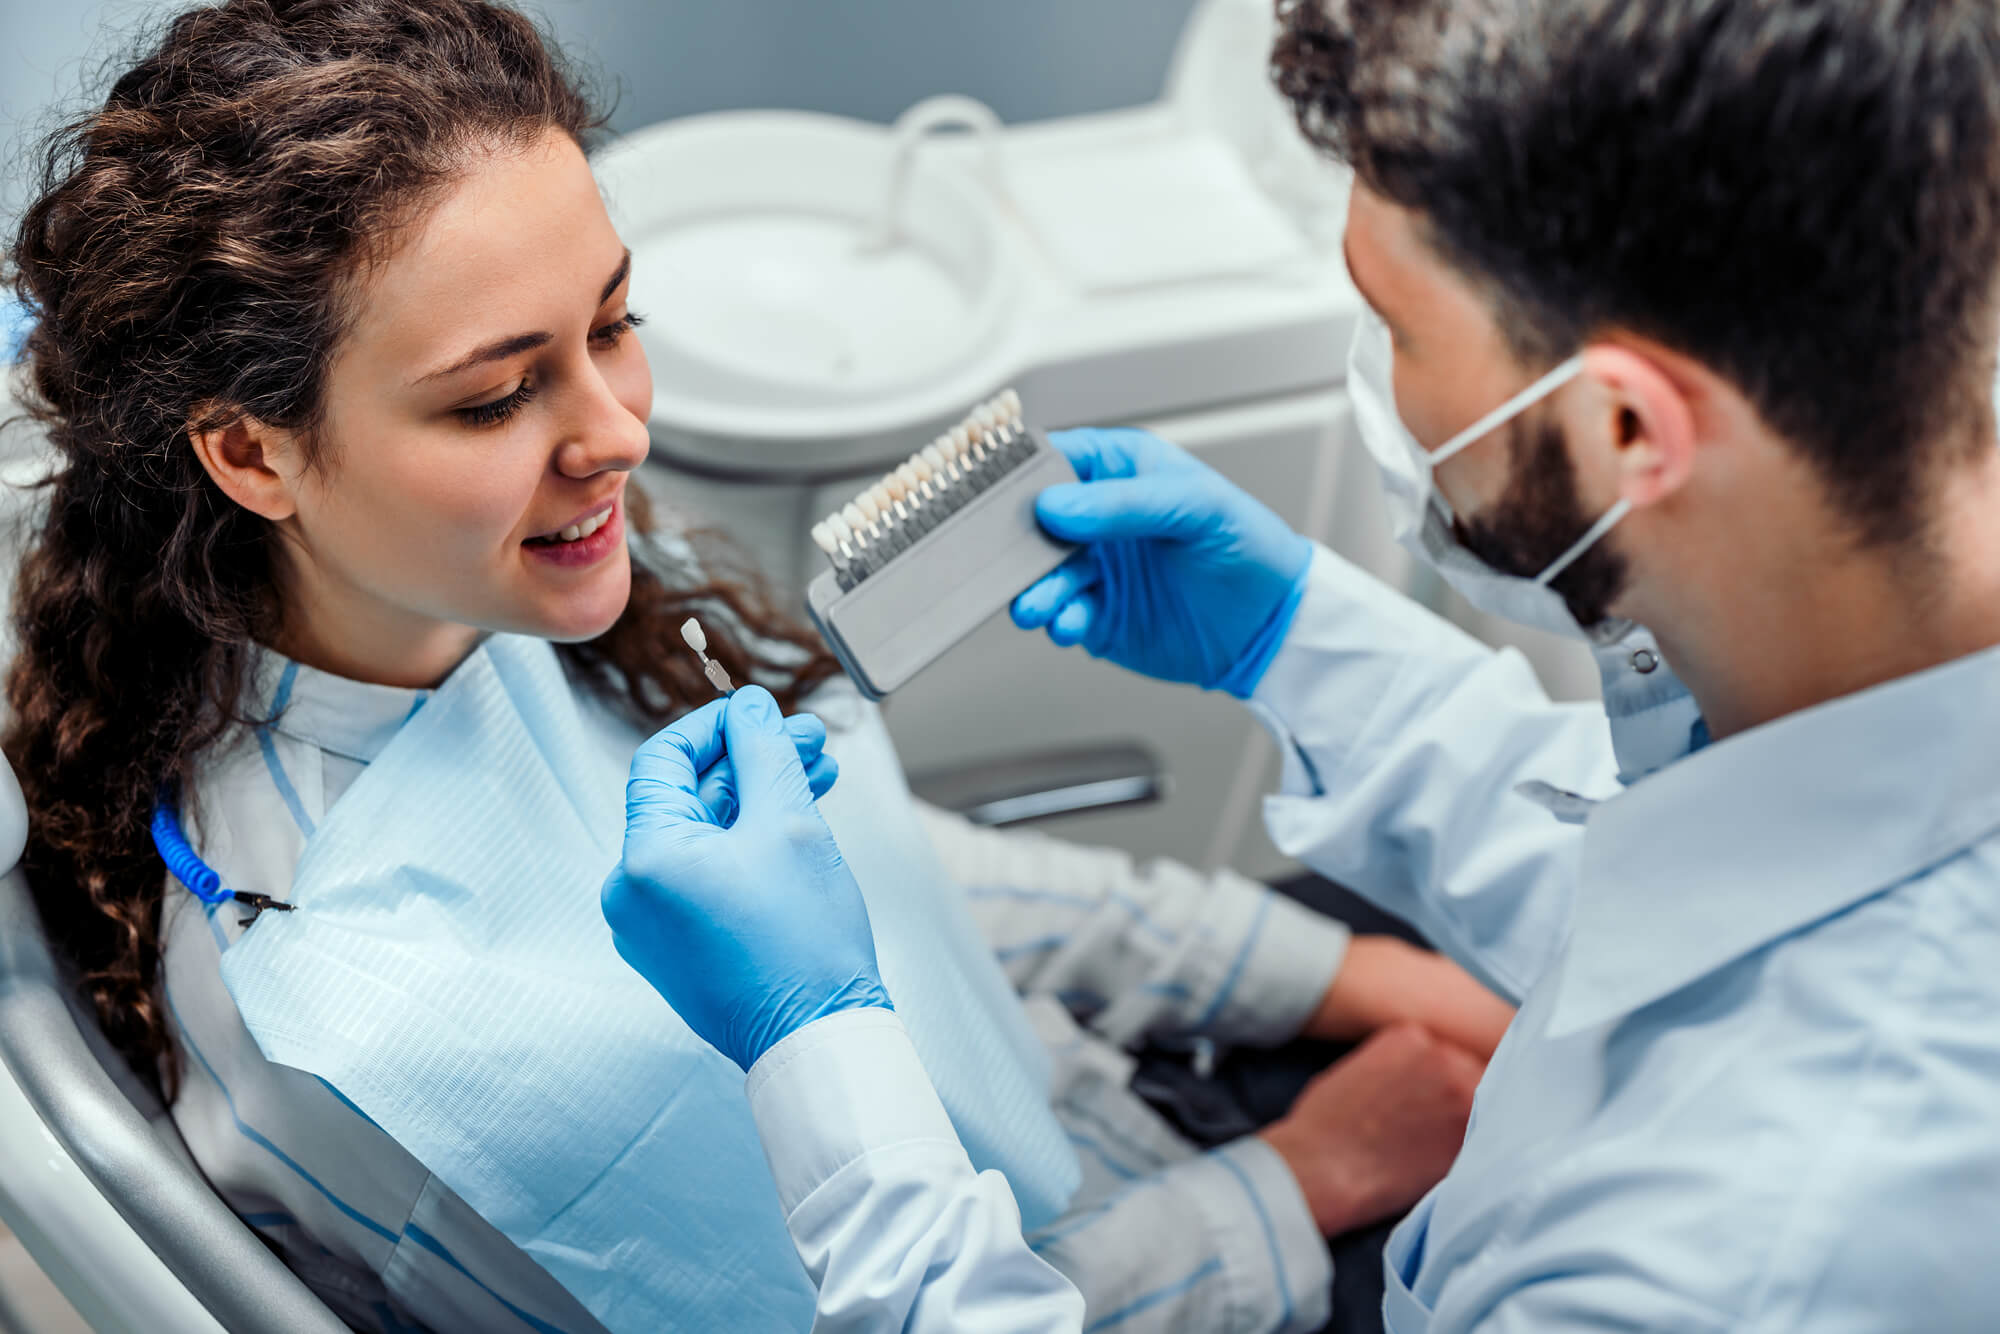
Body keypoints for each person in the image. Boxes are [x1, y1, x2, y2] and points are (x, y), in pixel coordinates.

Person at [0, 2, 1512, 1330]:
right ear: (253, 451)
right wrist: (1302, 1179)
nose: (618, 434)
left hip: (1091, 1102)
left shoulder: (501, 588)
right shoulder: (376, 1054)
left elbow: (889, 872)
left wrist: (1344, 973)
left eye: (612, 324)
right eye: (493, 398)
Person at [608, 0, 2000, 1330]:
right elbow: (1691, 874)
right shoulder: (1855, 657)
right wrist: (1296, 640)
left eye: (1395, 326)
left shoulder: (1741, 1261)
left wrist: (822, 1055)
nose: (1380, 378)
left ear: (1633, 429)